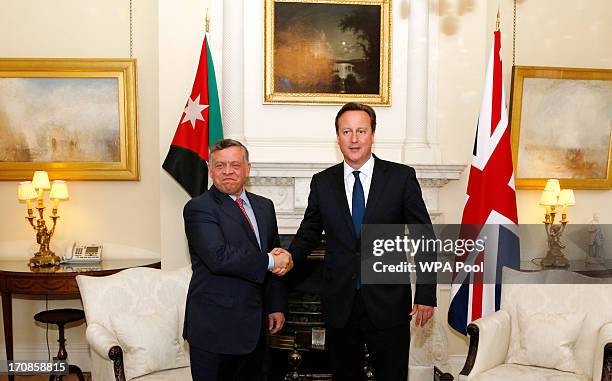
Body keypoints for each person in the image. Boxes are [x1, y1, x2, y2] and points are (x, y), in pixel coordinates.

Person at [279, 102, 437, 381]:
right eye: (346, 131)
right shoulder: (322, 182)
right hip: (340, 303)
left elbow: (423, 235)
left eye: (361, 131)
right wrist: (289, 256)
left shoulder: (401, 178)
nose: (354, 139)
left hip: (389, 302)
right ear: (338, 136)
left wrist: (425, 292)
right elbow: (309, 231)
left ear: (372, 134)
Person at [182, 139, 293, 381]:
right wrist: (273, 262)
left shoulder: (265, 206)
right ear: (210, 170)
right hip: (214, 327)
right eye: (220, 166)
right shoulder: (199, 208)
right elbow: (219, 257)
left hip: (255, 327)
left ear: (247, 169)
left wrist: (275, 305)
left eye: (235, 164)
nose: (228, 171)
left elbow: (272, 251)